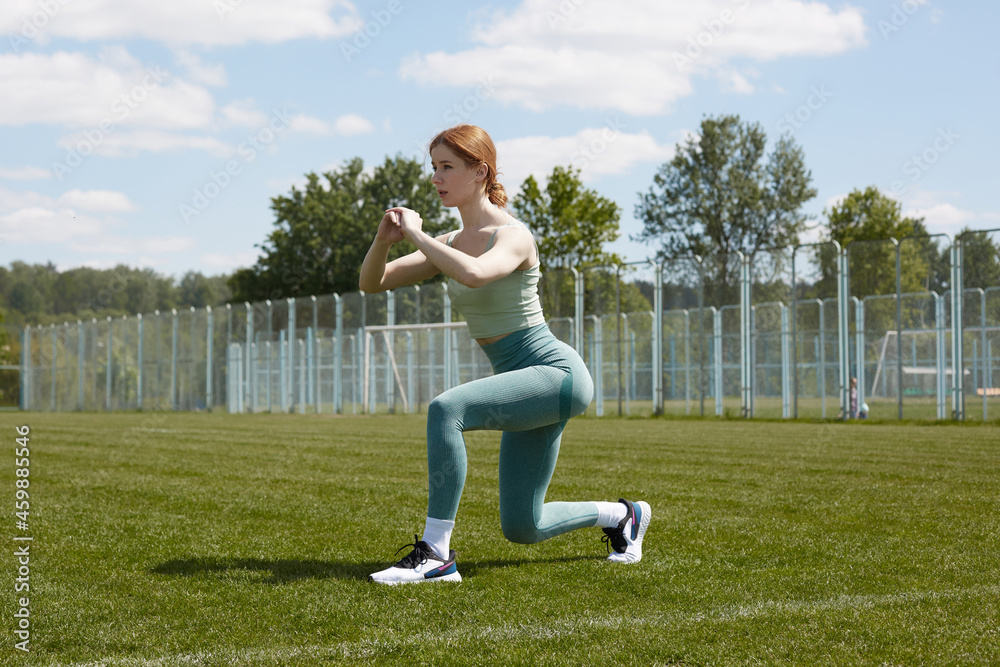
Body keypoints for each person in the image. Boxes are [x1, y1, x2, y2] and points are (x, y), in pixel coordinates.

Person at [359, 124, 650, 585]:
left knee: (446, 409)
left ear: (480, 171)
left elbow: (476, 275)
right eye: (433, 167)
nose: (436, 178)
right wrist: (383, 240)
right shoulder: (450, 244)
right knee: (523, 526)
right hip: (522, 382)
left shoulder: (513, 235)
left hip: (555, 375)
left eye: (447, 167)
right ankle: (623, 516)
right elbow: (371, 283)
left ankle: (435, 554)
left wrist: (417, 235)